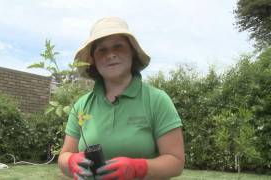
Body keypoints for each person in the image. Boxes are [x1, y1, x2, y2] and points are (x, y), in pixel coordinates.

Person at [58, 17, 184, 180]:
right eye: (102, 50)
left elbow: (176, 162)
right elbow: (64, 156)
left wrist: (137, 168)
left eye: (118, 46)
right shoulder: (81, 106)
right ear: (93, 60)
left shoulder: (157, 100)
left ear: (132, 52)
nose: (110, 55)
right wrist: (71, 161)